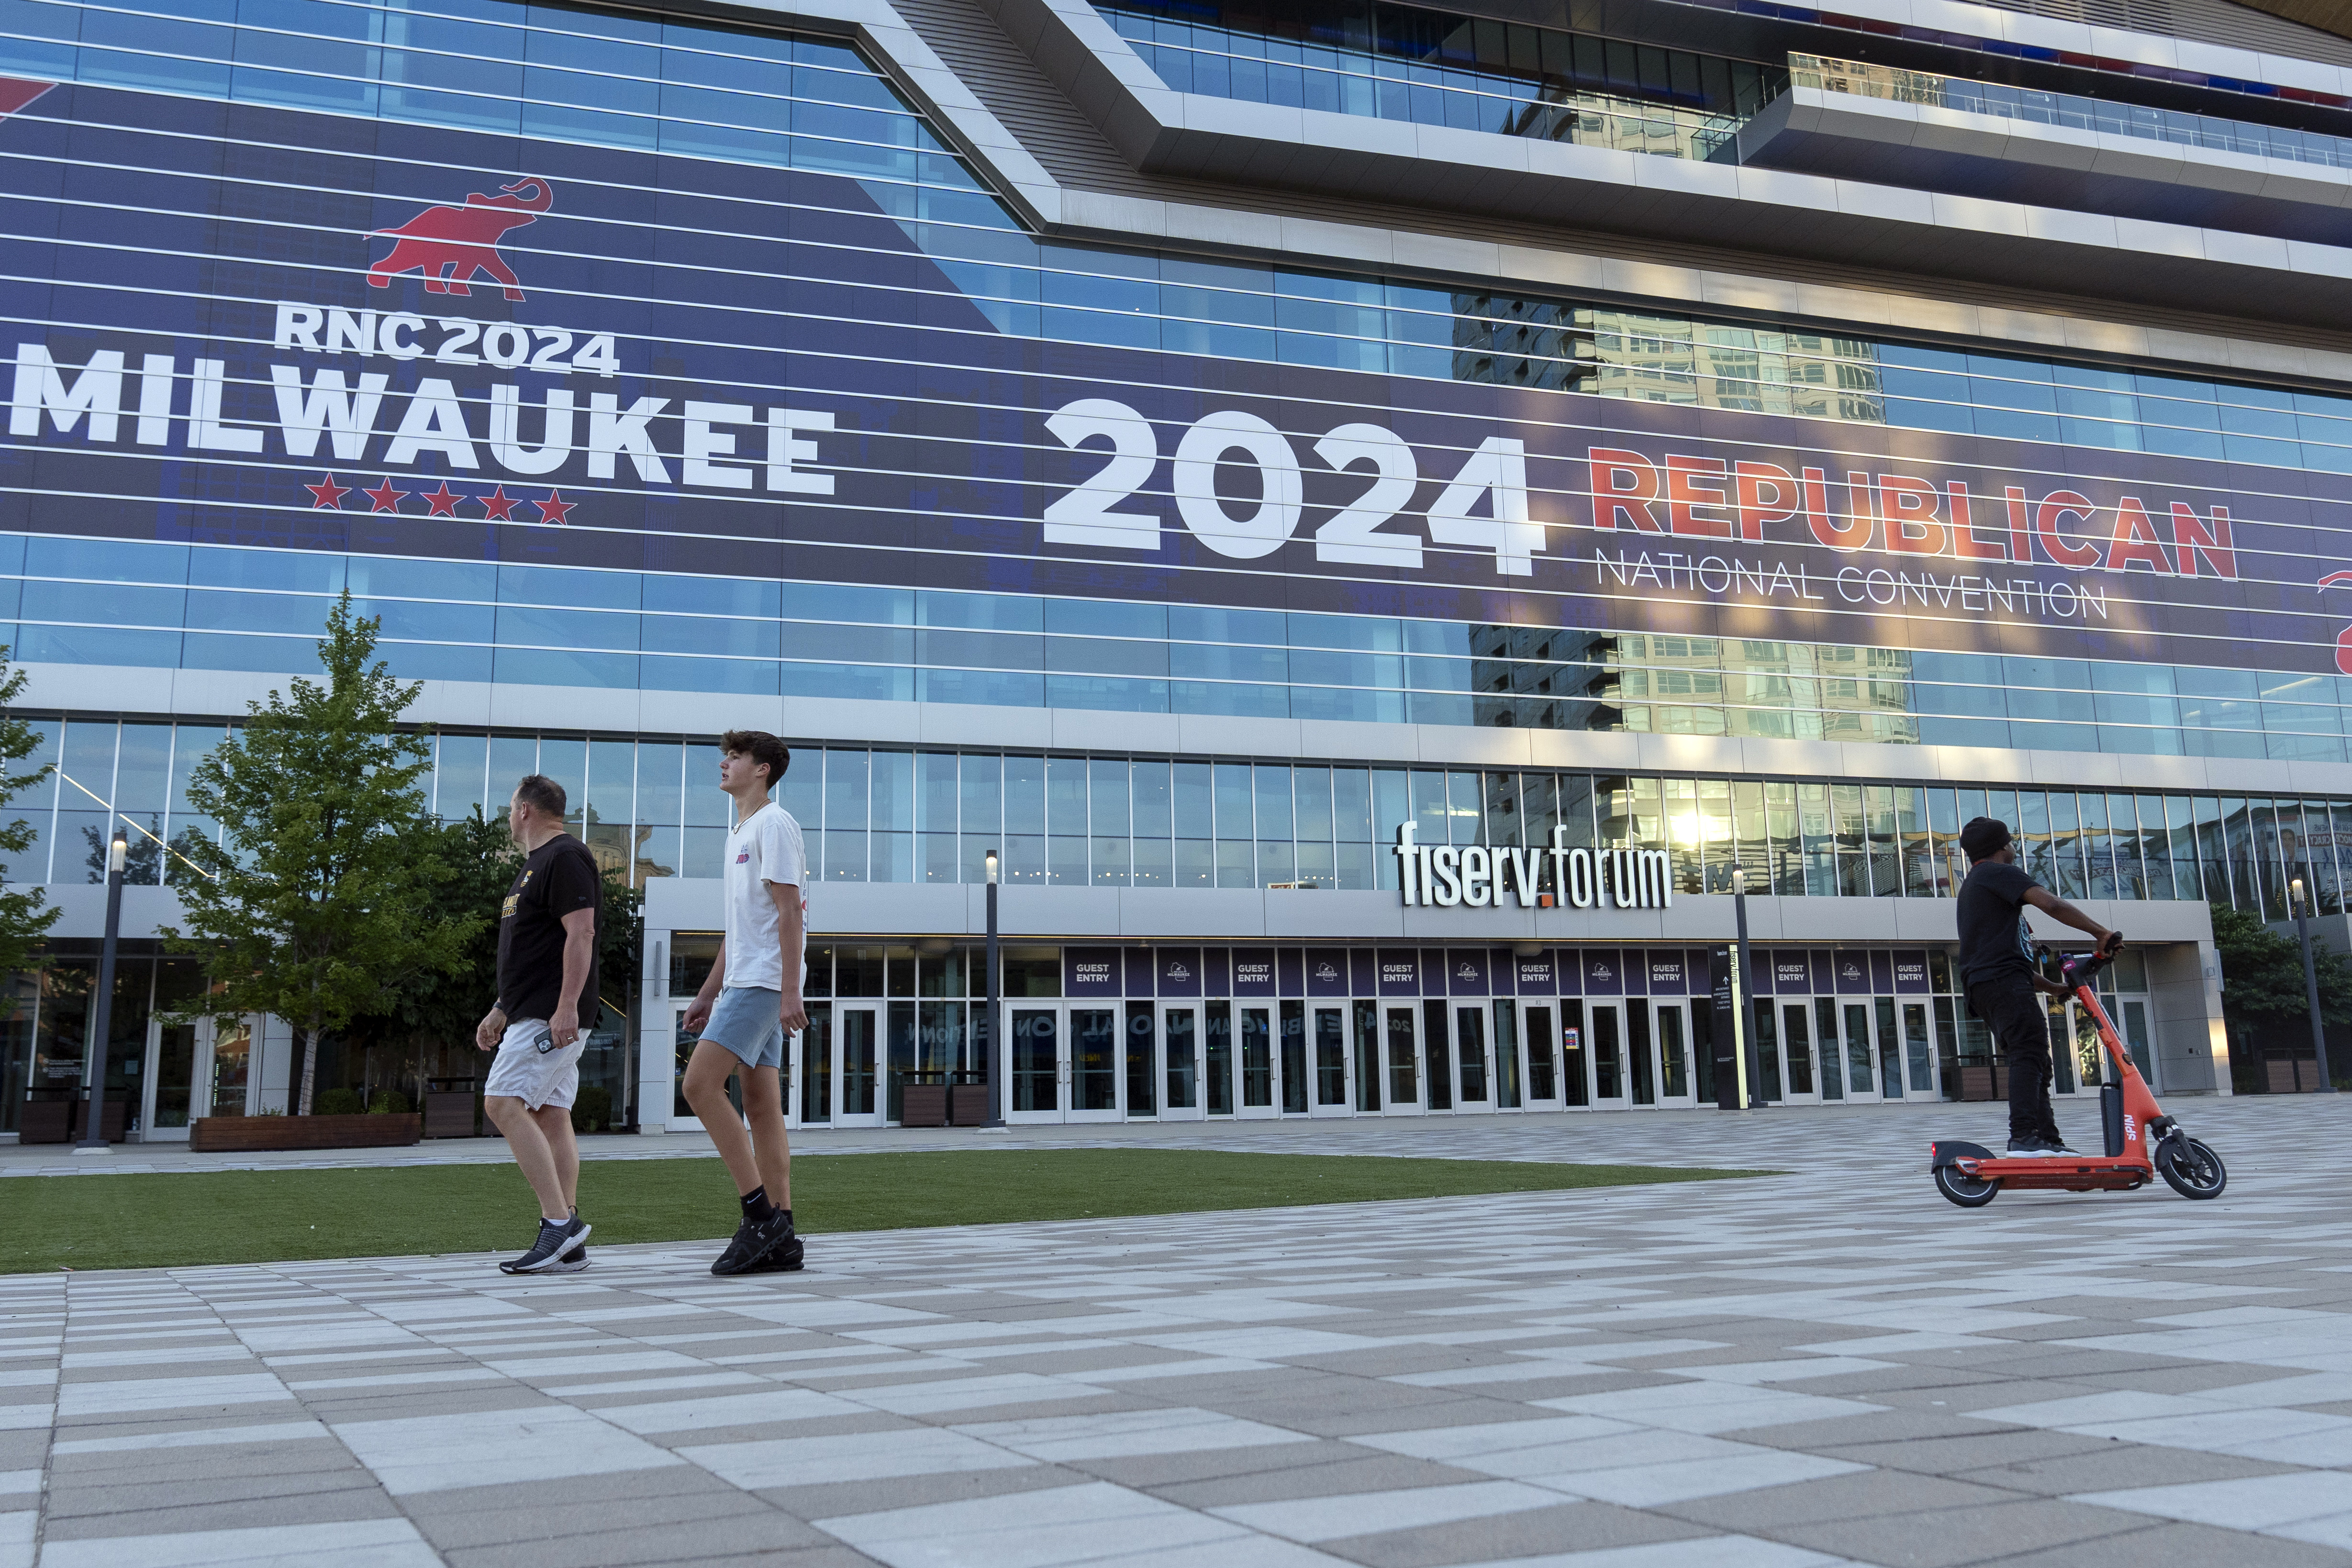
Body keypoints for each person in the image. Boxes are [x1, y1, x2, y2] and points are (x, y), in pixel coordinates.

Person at [679, 730, 808, 1275]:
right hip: (745, 981)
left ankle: (759, 1216)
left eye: (735, 757)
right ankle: (783, 1233)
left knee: (698, 1085)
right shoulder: (742, 829)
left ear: (763, 770)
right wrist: (709, 993)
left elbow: (789, 910)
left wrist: (788, 991)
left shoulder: (773, 824)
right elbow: (740, 929)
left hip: (763, 983)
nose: (724, 763)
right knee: (761, 1105)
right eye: (724, 756)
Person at [476, 774, 602, 1273]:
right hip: (531, 1008)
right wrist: (502, 1006)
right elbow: (532, 951)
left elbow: (582, 931)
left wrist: (567, 1005)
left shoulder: (565, 856)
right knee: (550, 1112)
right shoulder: (533, 867)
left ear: (525, 809)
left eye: (510, 808)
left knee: (502, 1102)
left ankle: (557, 1225)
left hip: (553, 1014)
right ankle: (569, 1233)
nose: (508, 817)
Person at [1955, 816, 2122, 1156]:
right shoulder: (1998, 873)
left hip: (1988, 985)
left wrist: (2053, 987)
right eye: (2011, 841)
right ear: (2003, 846)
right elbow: (2052, 904)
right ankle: (2023, 1136)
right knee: (2028, 1052)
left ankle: (2046, 1139)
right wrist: (2100, 933)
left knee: (2035, 1061)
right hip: (2000, 982)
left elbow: (1998, 956)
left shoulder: (1976, 885)